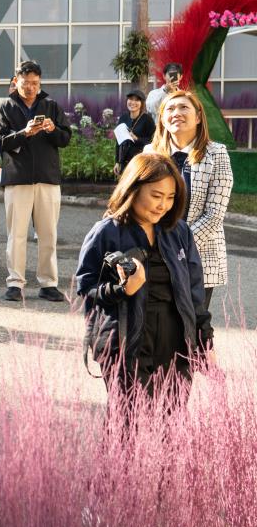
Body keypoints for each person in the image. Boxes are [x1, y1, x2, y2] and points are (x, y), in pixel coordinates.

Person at [75, 154, 213, 405]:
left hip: (176, 345)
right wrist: (121, 289)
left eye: (170, 197)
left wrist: (205, 342)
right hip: (126, 344)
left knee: (172, 421)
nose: (163, 205)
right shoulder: (106, 232)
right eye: (156, 195)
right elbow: (86, 287)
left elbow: (195, 294)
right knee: (129, 421)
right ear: (134, 189)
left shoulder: (180, 232)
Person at [0, 61, 72, 303]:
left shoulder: (51, 106)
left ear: (40, 82)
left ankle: (49, 284)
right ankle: (15, 283)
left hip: (48, 178)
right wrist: (24, 133)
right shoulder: (4, 107)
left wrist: (52, 129)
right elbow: (0, 142)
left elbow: (65, 138)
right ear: (16, 81)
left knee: (48, 234)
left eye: (35, 83)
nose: (30, 87)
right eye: (26, 83)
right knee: (16, 235)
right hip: (17, 178)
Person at [145, 90, 233, 310]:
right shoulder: (150, 153)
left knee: (192, 323)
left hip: (198, 257)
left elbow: (214, 214)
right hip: (154, 254)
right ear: (162, 119)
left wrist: (179, 248)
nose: (176, 113)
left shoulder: (217, 153)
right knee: (158, 322)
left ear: (198, 117)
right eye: (170, 109)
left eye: (184, 107)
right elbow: (139, 202)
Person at [115, 90, 156, 177]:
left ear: (142, 103)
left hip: (141, 163)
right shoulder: (123, 118)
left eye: (137, 100)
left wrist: (137, 139)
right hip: (124, 162)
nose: (133, 102)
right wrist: (117, 162)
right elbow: (118, 142)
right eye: (131, 99)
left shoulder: (147, 120)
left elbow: (154, 142)